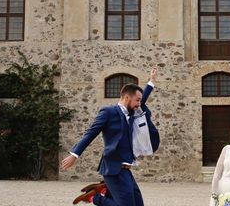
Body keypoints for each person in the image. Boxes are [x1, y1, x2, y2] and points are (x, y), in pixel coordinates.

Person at [61, 68, 159, 206]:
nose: (139, 104)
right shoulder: (108, 112)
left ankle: (105, 190)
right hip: (113, 169)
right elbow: (91, 133)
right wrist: (74, 154)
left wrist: (151, 82)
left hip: (126, 171)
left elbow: (142, 101)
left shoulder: (131, 113)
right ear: (126, 98)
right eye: (137, 100)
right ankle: (95, 197)